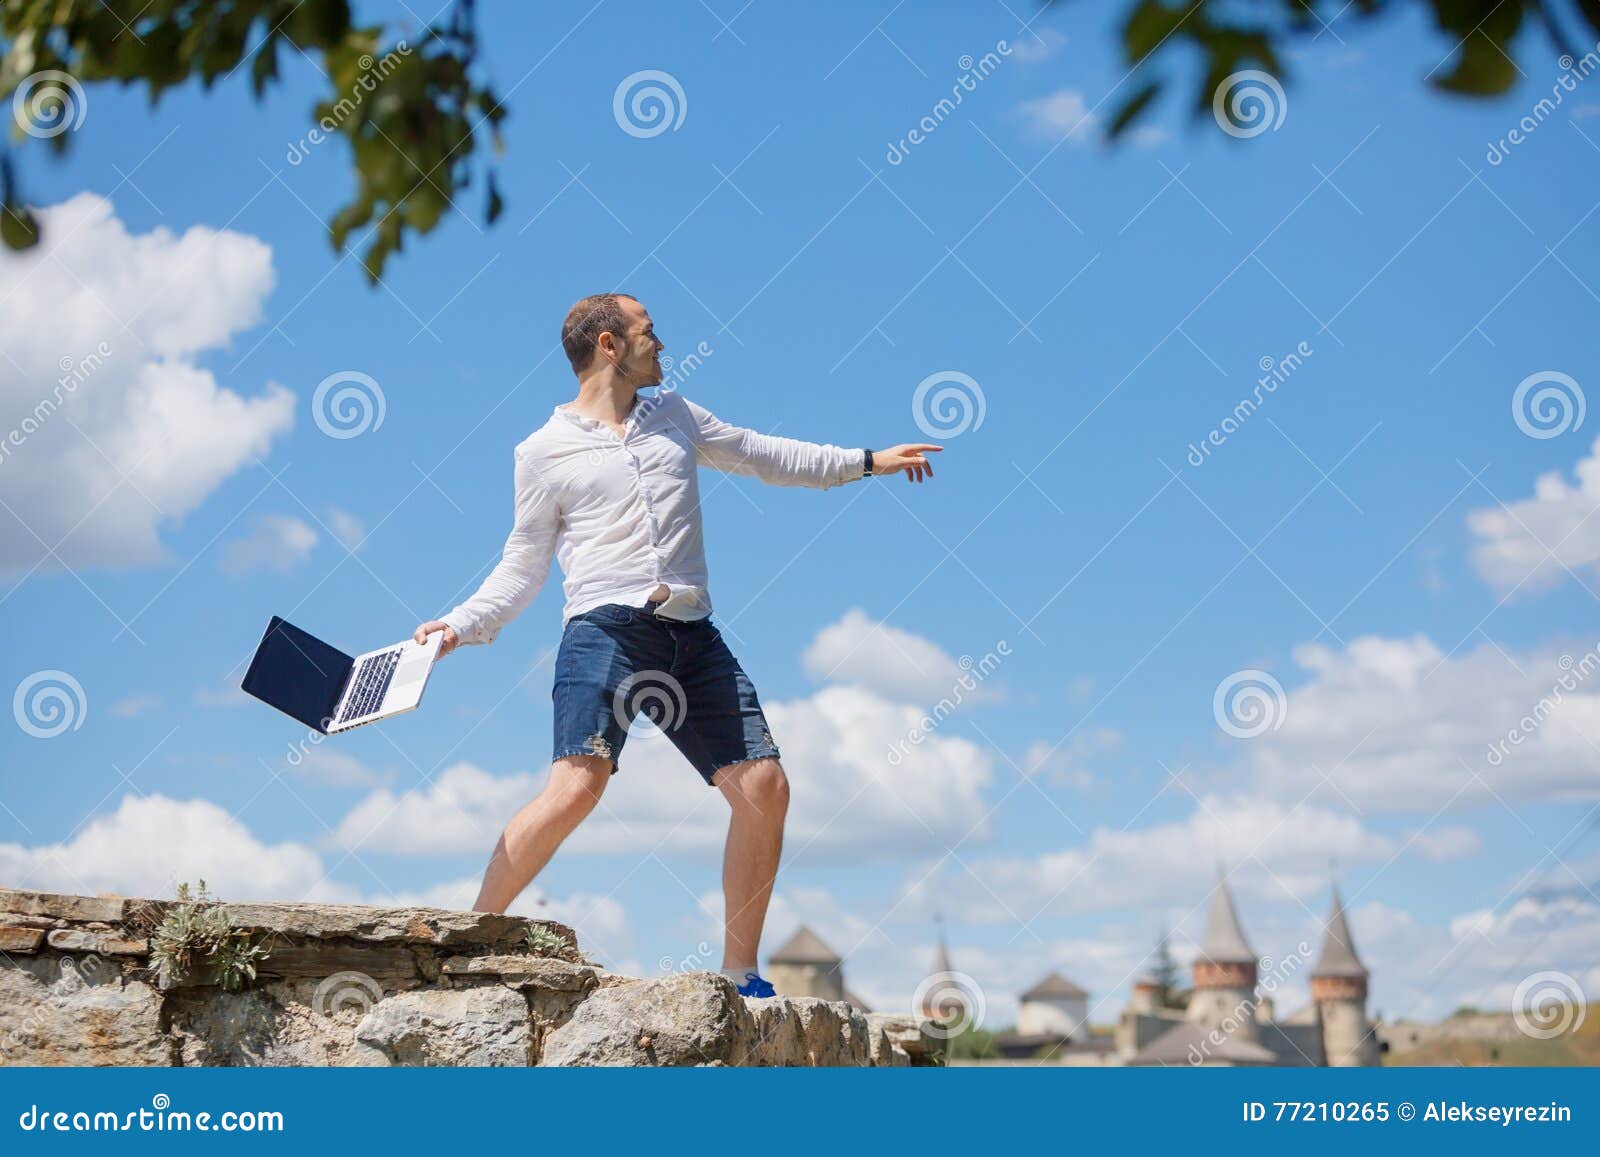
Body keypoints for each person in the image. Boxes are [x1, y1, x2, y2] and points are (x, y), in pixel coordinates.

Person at [413, 292, 941, 997]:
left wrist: (868, 460)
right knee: (576, 786)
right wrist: (460, 623)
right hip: (604, 631)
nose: (661, 344)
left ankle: (740, 972)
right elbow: (522, 564)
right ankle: (467, 940)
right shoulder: (541, 452)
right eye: (647, 332)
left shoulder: (678, 416)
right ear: (608, 344)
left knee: (763, 785)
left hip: (692, 635)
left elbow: (763, 454)